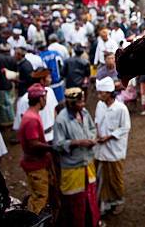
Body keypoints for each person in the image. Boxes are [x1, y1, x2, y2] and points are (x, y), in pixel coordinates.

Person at [53, 87, 100, 227]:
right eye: (79, 103)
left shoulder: (84, 113)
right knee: (75, 202)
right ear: (71, 104)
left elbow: (92, 129)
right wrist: (77, 143)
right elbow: (57, 145)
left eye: (83, 102)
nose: (83, 105)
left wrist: (92, 139)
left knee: (90, 198)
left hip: (88, 164)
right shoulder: (61, 120)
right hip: (73, 168)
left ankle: (93, 222)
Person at [18, 83, 57, 216]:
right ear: (40, 99)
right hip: (35, 165)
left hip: (36, 162)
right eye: (44, 98)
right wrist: (52, 148)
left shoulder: (31, 115)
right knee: (40, 198)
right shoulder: (32, 119)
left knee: (39, 194)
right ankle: (34, 220)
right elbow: (33, 144)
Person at [94, 77, 131, 215]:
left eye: (101, 93)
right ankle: (105, 204)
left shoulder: (121, 108)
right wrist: (98, 134)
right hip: (100, 149)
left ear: (109, 93)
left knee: (115, 178)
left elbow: (125, 128)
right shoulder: (100, 105)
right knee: (102, 179)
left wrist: (109, 137)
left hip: (114, 150)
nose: (99, 95)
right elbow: (97, 121)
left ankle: (118, 202)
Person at [13, 68, 59, 142]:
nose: (51, 79)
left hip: (53, 135)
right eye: (49, 77)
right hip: (35, 140)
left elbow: (54, 112)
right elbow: (21, 124)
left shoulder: (50, 91)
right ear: (42, 80)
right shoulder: (24, 100)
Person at [0, 43, 17, 129]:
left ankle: (5, 123)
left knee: (1, 104)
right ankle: (11, 121)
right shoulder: (12, 59)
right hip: (10, 82)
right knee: (10, 103)